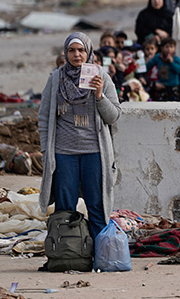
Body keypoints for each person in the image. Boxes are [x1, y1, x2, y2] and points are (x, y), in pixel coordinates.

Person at [38, 33, 122, 243]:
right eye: (72, 51)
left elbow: (114, 116)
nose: (77, 55)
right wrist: (46, 152)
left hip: (94, 152)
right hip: (64, 152)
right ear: (65, 53)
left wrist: (99, 95)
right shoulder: (56, 79)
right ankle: (67, 252)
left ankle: (100, 254)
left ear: (89, 52)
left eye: (81, 50)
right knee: (65, 206)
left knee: (96, 204)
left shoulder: (101, 77)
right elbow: (44, 117)